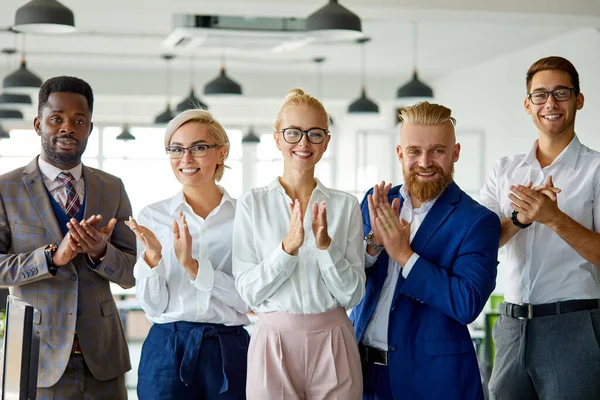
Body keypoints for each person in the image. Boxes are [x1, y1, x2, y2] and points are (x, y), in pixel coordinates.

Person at [350, 101, 501, 400]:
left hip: (433, 381)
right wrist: (373, 247)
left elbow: (466, 303)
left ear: (455, 153)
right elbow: (346, 279)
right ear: (400, 153)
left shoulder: (477, 221)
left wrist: (405, 256)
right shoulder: (375, 201)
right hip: (361, 374)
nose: (425, 162)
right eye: (414, 151)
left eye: (437, 151)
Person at [0, 76, 136, 399]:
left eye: (79, 120)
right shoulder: (6, 189)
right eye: (56, 119)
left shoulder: (111, 187)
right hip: (35, 357)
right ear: (38, 124)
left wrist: (102, 252)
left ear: (89, 127)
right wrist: (50, 258)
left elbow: (133, 272)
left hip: (102, 359)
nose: (67, 128)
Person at [232, 88, 365, 399]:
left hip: (334, 341)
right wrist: (287, 249)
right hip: (272, 342)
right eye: (293, 133)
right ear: (278, 138)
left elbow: (353, 293)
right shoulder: (252, 203)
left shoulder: (345, 206)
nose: (304, 143)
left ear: (327, 142)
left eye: (315, 134)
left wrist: (325, 248)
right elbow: (248, 292)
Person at [480, 56, 600, 400]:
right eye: (540, 94)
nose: (551, 103)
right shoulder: (504, 170)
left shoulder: (596, 170)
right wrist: (522, 219)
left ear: (578, 100)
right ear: (527, 105)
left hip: (575, 326)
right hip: (510, 327)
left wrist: (554, 218)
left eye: (561, 93)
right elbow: (485, 242)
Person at [126, 109, 250, 399]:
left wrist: (194, 268)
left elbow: (248, 298)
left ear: (222, 152)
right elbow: (153, 307)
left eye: (198, 148)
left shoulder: (246, 216)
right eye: (176, 149)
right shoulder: (153, 216)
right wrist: (154, 260)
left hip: (228, 348)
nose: (186, 159)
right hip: (167, 348)